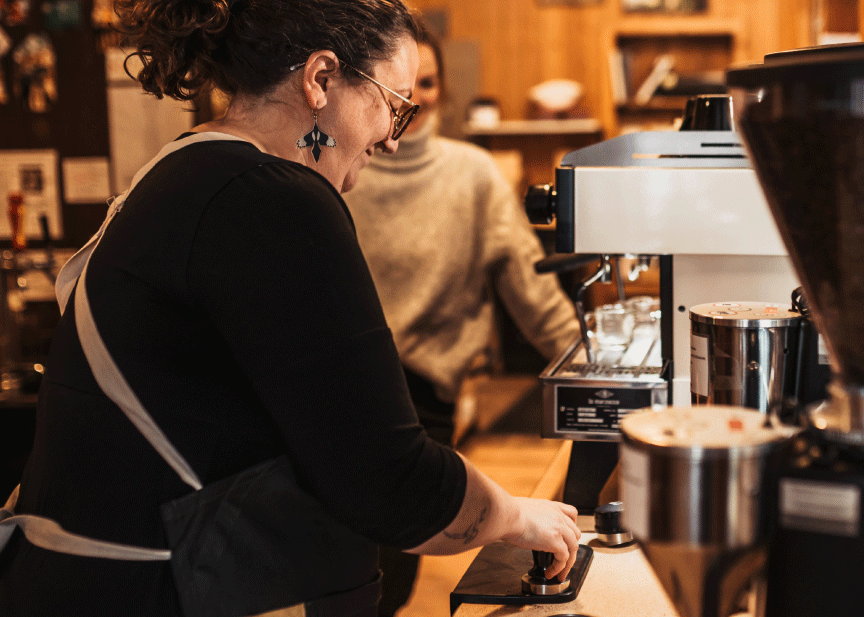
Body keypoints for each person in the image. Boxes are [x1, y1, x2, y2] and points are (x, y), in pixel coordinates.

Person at [0, 1, 580, 615]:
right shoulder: (275, 201)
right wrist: (516, 515)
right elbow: (388, 483)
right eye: (394, 104)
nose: (391, 137)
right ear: (321, 80)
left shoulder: (182, 169)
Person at [341, 26, 581, 617]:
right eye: (402, 88)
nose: (412, 103)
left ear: (443, 91)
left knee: (390, 568)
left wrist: (591, 364)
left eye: (427, 85)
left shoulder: (472, 175)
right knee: (342, 566)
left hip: (425, 398)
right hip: (343, 387)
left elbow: (532, 288)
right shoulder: (339, 168)